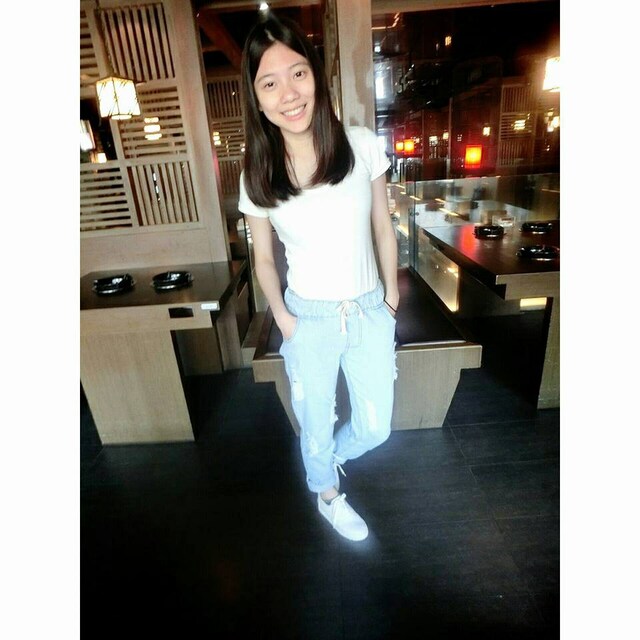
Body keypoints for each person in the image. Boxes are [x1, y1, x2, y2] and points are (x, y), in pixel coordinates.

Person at [238, 15, 399, 542]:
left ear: (315, 76)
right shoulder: (258, 174)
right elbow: (263, 260)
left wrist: (391, 301)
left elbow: (383, 226)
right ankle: (326, 492)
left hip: (370, 310)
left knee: (376, 427)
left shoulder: (360, 146)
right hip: (307, 318)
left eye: (298, 73)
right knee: (314, 422)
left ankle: (326, 460)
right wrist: (285, 321)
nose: (289, 93)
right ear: (257, 99)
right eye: (270, 83)